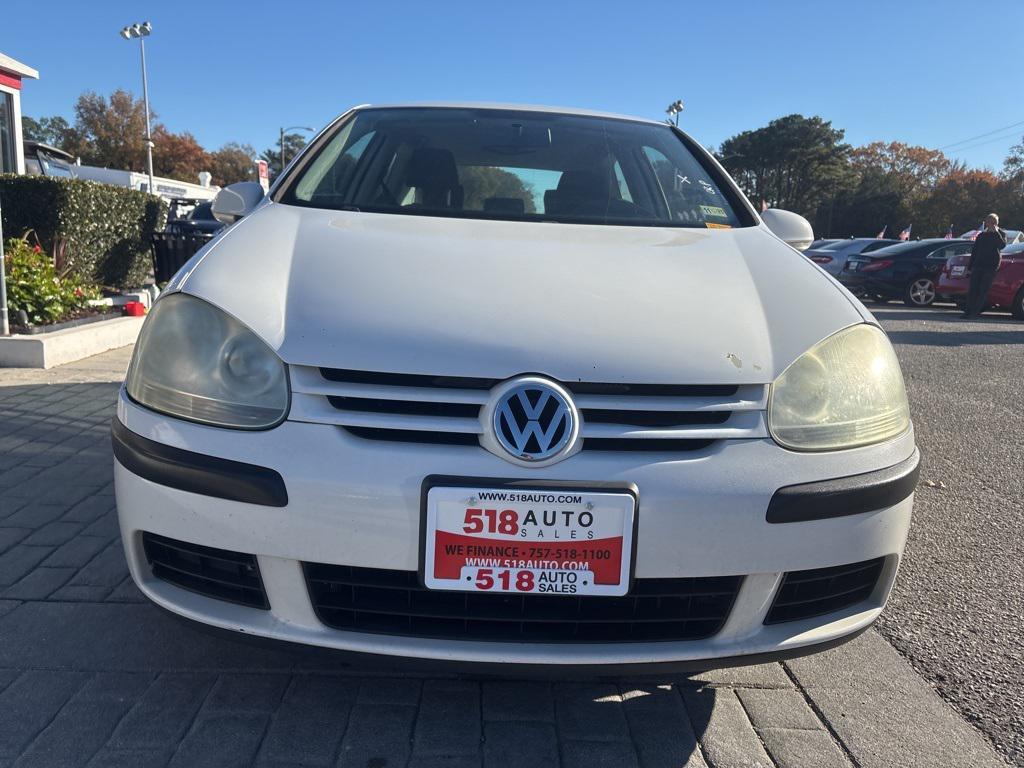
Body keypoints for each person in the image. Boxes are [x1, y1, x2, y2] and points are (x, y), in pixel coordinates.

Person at [964, 213, 1007, 318]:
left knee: (983, 289)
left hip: (991, 266)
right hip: (978, 265)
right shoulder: (982, 235)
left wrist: (996, 232)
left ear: (997, 223)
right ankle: (968, 311)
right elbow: (975, 251)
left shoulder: (1001, 234)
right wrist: (970, 267)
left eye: (994, 222)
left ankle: (975, 312)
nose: (991, 224)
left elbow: (1002, 245)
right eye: (989, 222)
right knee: (973, 289)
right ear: (986, 223)